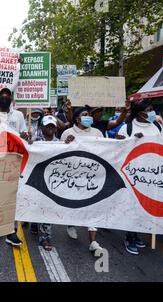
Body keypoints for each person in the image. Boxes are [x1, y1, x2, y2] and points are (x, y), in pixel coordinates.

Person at [116, 99, 163, 255]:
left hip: (153, 174)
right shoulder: (128, 128)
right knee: (133, 206)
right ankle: (129, 236)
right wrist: (133, 141)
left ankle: (137, 234)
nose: (152, 112)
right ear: (140, 112)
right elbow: (117, 149)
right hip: (133, 174)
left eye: (152, 109)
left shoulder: (157, 126)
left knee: (145, 206)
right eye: (149, 109)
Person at [0, 87, 28, 247]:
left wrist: (25, 135)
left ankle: (11, 231)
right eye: (1, 95)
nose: (4, 97)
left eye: (7, 95)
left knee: (12, 195)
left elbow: (24, 134)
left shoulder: (19, 115)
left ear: (11, 99)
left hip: (13, 160)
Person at [60, 106, 105, 256]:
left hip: (93, 176)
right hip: (73, 176)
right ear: (77, 118)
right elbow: (58, 153)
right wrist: (66, 143)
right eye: (85, 115)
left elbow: (106, 150)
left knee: (93, 206)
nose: (89, 117)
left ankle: (93, 241)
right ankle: (71, 223)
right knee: (74, 204)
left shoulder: (97, 132)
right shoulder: (68, 132)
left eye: (89, 115)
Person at [28, 115, 61, 251]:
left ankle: (45, 238)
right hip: (37, 179)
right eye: (47, 126)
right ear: (42, 128)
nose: (50, 129)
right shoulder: (35, 141)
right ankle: (34, 222)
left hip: (52, 181)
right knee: (36, 204)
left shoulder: (60, 143)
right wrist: (27, 141)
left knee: (48, 208)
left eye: (52, 126)